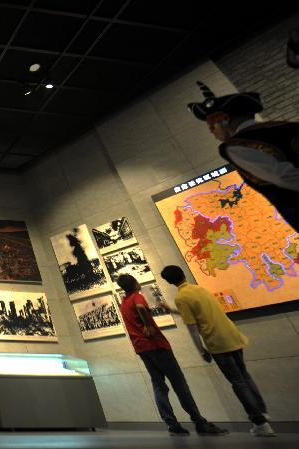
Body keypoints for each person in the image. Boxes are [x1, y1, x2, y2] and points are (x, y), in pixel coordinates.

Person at [159, 265, 275, 437]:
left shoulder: (182, 297)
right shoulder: (199, 289)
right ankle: (262, 412)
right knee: (244, 376)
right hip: (232, 335)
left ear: (169, 282)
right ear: (183, 274)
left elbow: (192, 327)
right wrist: (173, 310)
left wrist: (201, 351)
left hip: (217, 342)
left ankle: (260, 422)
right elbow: (198, 312)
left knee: (237, 382)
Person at [115, 274, 227, 436]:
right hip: (156, 346)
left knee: (159, 385)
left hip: (142, 349)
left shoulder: (124, 303)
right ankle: (199, 422)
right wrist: (148, 325)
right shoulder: (137, 297)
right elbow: (140, 307)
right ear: (134, 283)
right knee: (179, 384)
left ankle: (172, 425)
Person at [187, 81, 299, 230]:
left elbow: (284, 176)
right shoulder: (289, 127)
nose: (211, 132)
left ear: (224, 121)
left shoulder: (235, 146)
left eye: (212, 126)